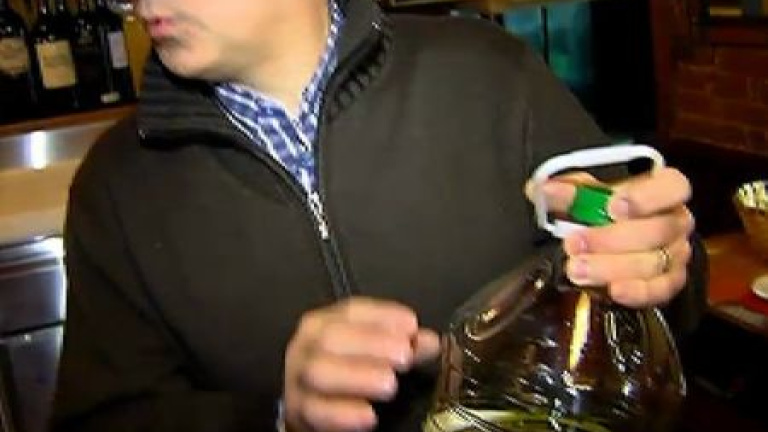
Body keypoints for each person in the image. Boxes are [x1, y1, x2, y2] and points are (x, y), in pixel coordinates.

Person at [50, 0, 706, 431]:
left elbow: (635, 248)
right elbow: (104, 420)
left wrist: (641, 248)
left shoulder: (490, 74)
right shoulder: (117, 184)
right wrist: (277, 417)